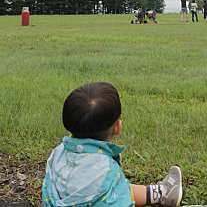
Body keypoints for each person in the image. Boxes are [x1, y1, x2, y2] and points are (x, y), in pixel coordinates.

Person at [42, 82, 183, 207]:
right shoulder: (105, 170)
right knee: (115, 188)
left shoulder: (59, 153)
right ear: (117, 127)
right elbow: (120, 200)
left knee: (116, 187)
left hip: (71, 197)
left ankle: (162, 193)